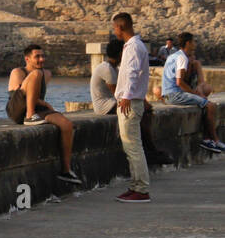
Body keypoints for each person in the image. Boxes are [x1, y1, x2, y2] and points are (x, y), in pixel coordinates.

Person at [6, 44, 82, 185]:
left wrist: (45, 107)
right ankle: (30, 116)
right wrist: (45, 104)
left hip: (37, 107)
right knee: (36, 73)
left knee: (67, 125)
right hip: (17, 108)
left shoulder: (46, 74)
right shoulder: (18, 72)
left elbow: (36, 95)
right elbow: (18, 94)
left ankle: (66, 170)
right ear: (27, 59)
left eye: (42, 56)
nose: (41, 59)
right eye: (37, 57)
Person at [94, 38, 174, 164]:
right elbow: (118, 94)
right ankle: (151, 150)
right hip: (105, 105)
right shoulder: (107, 69)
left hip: (112, 102)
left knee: (143, 113)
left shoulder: (114, 68)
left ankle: (150, 149)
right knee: (138, 113)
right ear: (121, 53)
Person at [111, 12, 152, 202]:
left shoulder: (133, 47)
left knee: (133, 147)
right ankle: (136, 185)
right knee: (131, 147)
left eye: (114, 28)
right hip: (131, 100)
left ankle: (142, 189)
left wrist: (126, 96)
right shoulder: (134, 46)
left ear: (120, 27)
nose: (114, 32)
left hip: (130, 102)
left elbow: (133, 73)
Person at [161, 32, 224, 153]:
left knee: (205, 104)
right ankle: (213, 140)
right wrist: (195, 94)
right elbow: (180, 82)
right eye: (193, 42)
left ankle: (209, 139)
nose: (195, 44)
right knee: (210, 106)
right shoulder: (182, 58)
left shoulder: (173, 56)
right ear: (188, 43)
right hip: (174, 94)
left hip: (168, 94)